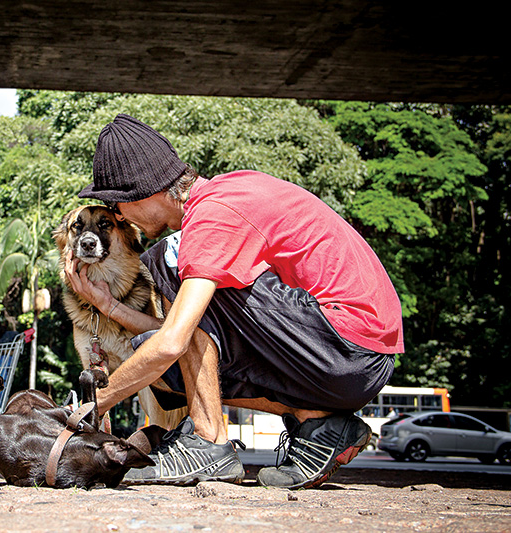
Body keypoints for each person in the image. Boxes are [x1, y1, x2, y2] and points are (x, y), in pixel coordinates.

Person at [65, 114, 403, 489]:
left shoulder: (211, 219)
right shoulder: (226, 192)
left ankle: (208, 440)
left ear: (142, 194)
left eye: (115, 207)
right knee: (161, 368)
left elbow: (175, 340)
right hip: (347, 357)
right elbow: (183, 344)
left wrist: (93, 404)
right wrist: (109, 307)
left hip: (348, 347)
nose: (118, 216)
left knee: (169, 260)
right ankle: (319, 423)